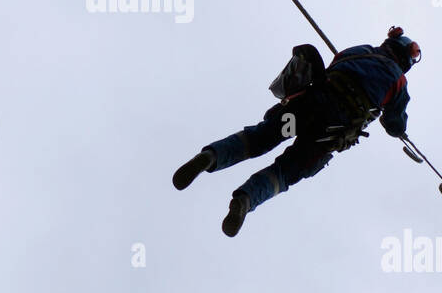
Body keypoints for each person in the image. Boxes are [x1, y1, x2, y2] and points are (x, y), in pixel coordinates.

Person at [173, 26, 421, 237]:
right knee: (286, 170)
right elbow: (395, 125)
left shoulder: (360, 51)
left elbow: (334, 66)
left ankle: (210, 157)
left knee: (261, 137)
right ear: (405, 62)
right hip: (327, 133)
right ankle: (245, 200)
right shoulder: (398, 83)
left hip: (305, 109)